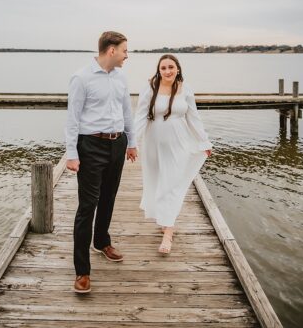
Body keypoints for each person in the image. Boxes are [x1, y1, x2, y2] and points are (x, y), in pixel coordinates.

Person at [64, 31, 138, 294]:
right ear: (111, 50)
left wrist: (131, 142)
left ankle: (102, 242)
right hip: (90, 145)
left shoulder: (120, 77)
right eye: (125, 50)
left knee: (109, 197)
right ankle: (82, 271)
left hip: (117, 143)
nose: (127, 55)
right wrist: (71, 154)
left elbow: (127, 111)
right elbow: (72, 118)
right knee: (87, 206)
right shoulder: (81, 78)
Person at [134, 54, 212, 254]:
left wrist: (204, 141)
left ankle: (168, 233)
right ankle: (165, 218)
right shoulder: (150, 89)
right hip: (153, 145)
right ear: (159, 71)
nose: (167, 71)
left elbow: (194, 118)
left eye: (171, 67)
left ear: (178, 68)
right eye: (163, 68)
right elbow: (141, 117)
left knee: (172, 186)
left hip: (179, 144)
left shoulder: (185, 89)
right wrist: (131, 142)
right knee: (158, 183)